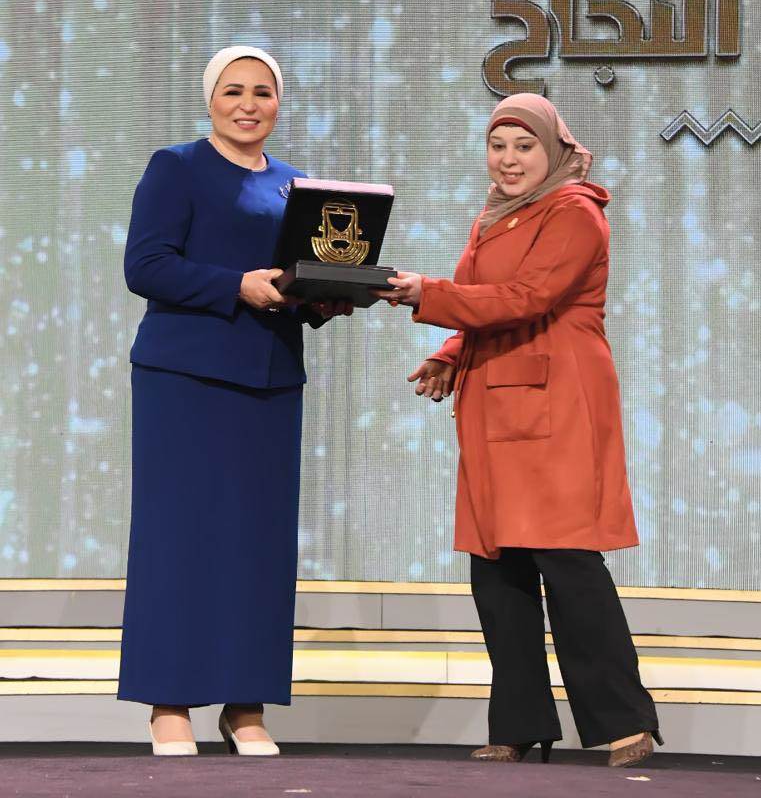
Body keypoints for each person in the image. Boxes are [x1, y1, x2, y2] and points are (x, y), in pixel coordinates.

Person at [377, 93, 662, 769]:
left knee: (567, 562)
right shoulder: (497, 214)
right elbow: (484, 304)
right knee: (498, 568)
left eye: (523, 146)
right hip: (496, 403)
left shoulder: (574, 212)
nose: (508, 160)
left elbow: (529, 297)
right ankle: (519, 722)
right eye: (497, 145)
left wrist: (425, 293)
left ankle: (624, 722)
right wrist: (451, 353)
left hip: (555, 405)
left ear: (554, 150)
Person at [118, 45, 351, 756]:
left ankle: (245, 706)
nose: (248, 105)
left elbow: (296, 281)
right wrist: (233, 286)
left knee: (258, 546)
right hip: (184, 380)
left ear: (279, 103)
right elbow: (145, 265)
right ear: (209, 99)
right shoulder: (176, 167)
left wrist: (328, 297)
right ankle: (168, 703)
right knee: (178, 539)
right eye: (233, 91)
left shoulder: (298, 185)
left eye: (262, 92)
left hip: (269, 379)